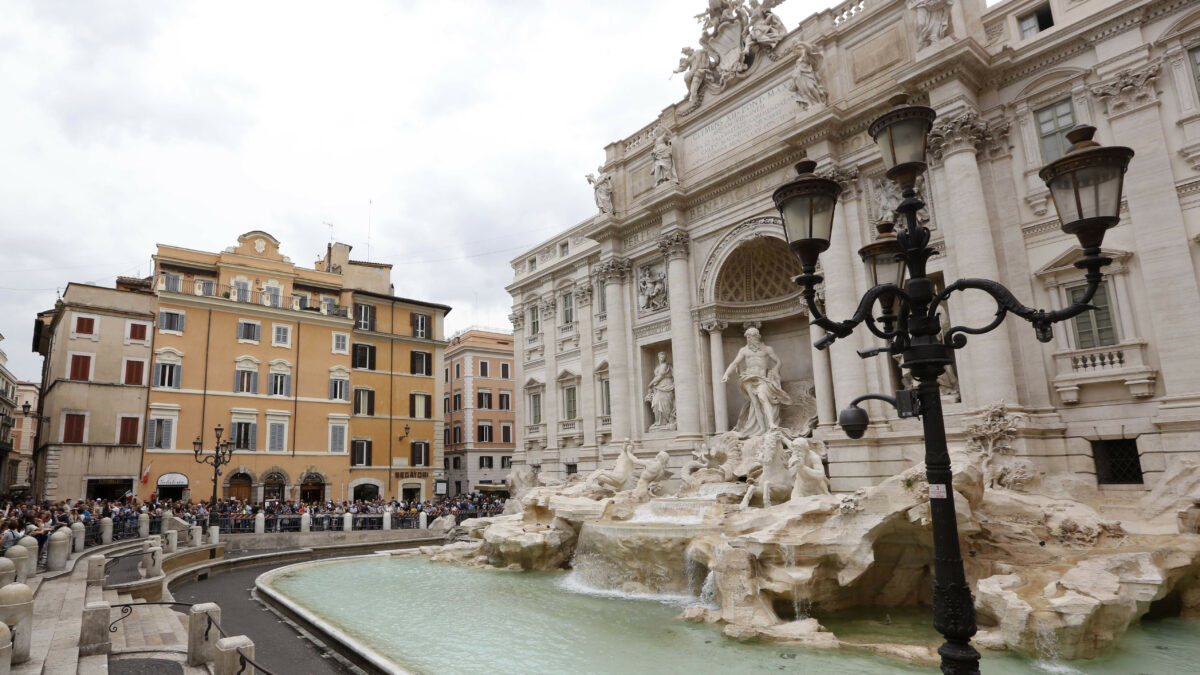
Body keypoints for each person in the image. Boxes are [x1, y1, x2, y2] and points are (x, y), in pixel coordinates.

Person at [721, 326, 793, 438]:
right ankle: (762, 428)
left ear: (757, 337)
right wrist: (726, 374)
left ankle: (771, 423)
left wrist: (775, 370)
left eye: (751, 337)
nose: (749, 340)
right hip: (748, 378)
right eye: (747, 338)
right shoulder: (744, 350)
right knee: (755, 404)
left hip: (762, 379)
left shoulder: (767, 349)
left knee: (763, 397)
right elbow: (735, 363)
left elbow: (778, 362)